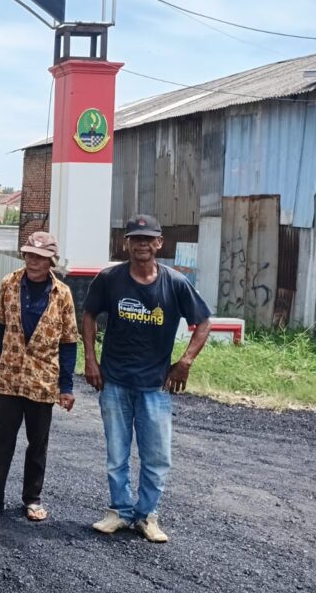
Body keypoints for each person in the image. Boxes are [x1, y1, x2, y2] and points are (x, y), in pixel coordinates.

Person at [82, 214, 211, 543]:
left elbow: (204, 321)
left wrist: (185, 361)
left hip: (156, 384)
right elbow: (89, 314)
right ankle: (119, 512)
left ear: (158, 243)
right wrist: (91, 360)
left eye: (147, 239)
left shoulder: (174, 282)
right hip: (114, 382)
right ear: (126, 243)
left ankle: (147, 516)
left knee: (156, 456)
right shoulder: (110, 279)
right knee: (117, 453)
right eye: (135, 238)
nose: (141, 244)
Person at [0, 231, 78, 522]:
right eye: (30, 255)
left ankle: (32, 499)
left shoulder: (63, 294)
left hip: (43, 379)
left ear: (51, 261)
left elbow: (69, 341)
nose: (34, 261)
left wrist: (66, 387)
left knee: (38, 442)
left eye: (41, 257)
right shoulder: (9, 283)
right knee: (1, 439)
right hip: (10, 375)